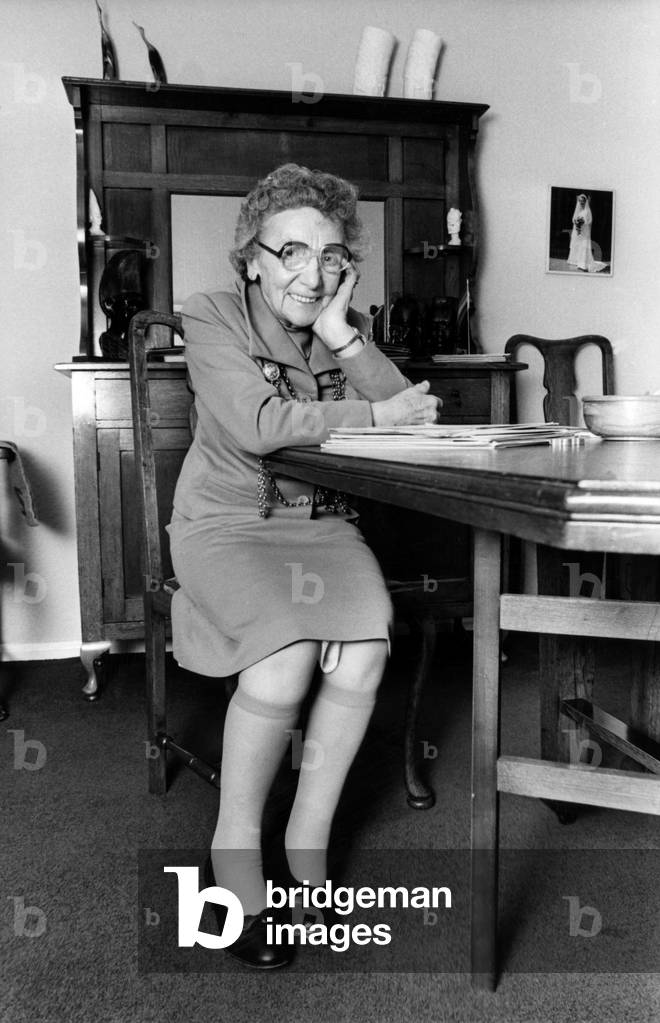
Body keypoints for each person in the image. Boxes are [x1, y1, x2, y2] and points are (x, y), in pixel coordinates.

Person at [168, 163, 440, 968]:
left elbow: (411, 415)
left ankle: (308, 840)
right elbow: (257, 422)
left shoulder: (335, 317)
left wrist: (341, 333)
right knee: (284, 660)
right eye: (290, 251)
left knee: (366, 649)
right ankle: (235, 850)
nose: (309, 272)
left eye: (328, 255)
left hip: (320, 527)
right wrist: (372, 413)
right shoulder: (210, 313)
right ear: (251, 256)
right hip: (226, 524)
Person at [567, 193, 609, 273]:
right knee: (577, 245)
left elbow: (589, 221)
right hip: (577, 231)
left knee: (583, 245)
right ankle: (576, 261)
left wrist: (583, 223)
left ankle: (583, 264)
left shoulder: (587, 211)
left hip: (584, 231)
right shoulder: (578, 210)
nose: (581, 202)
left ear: (585, 201)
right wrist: (576, 222)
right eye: (580, 201)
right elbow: (573, 219)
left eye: (583, 201)